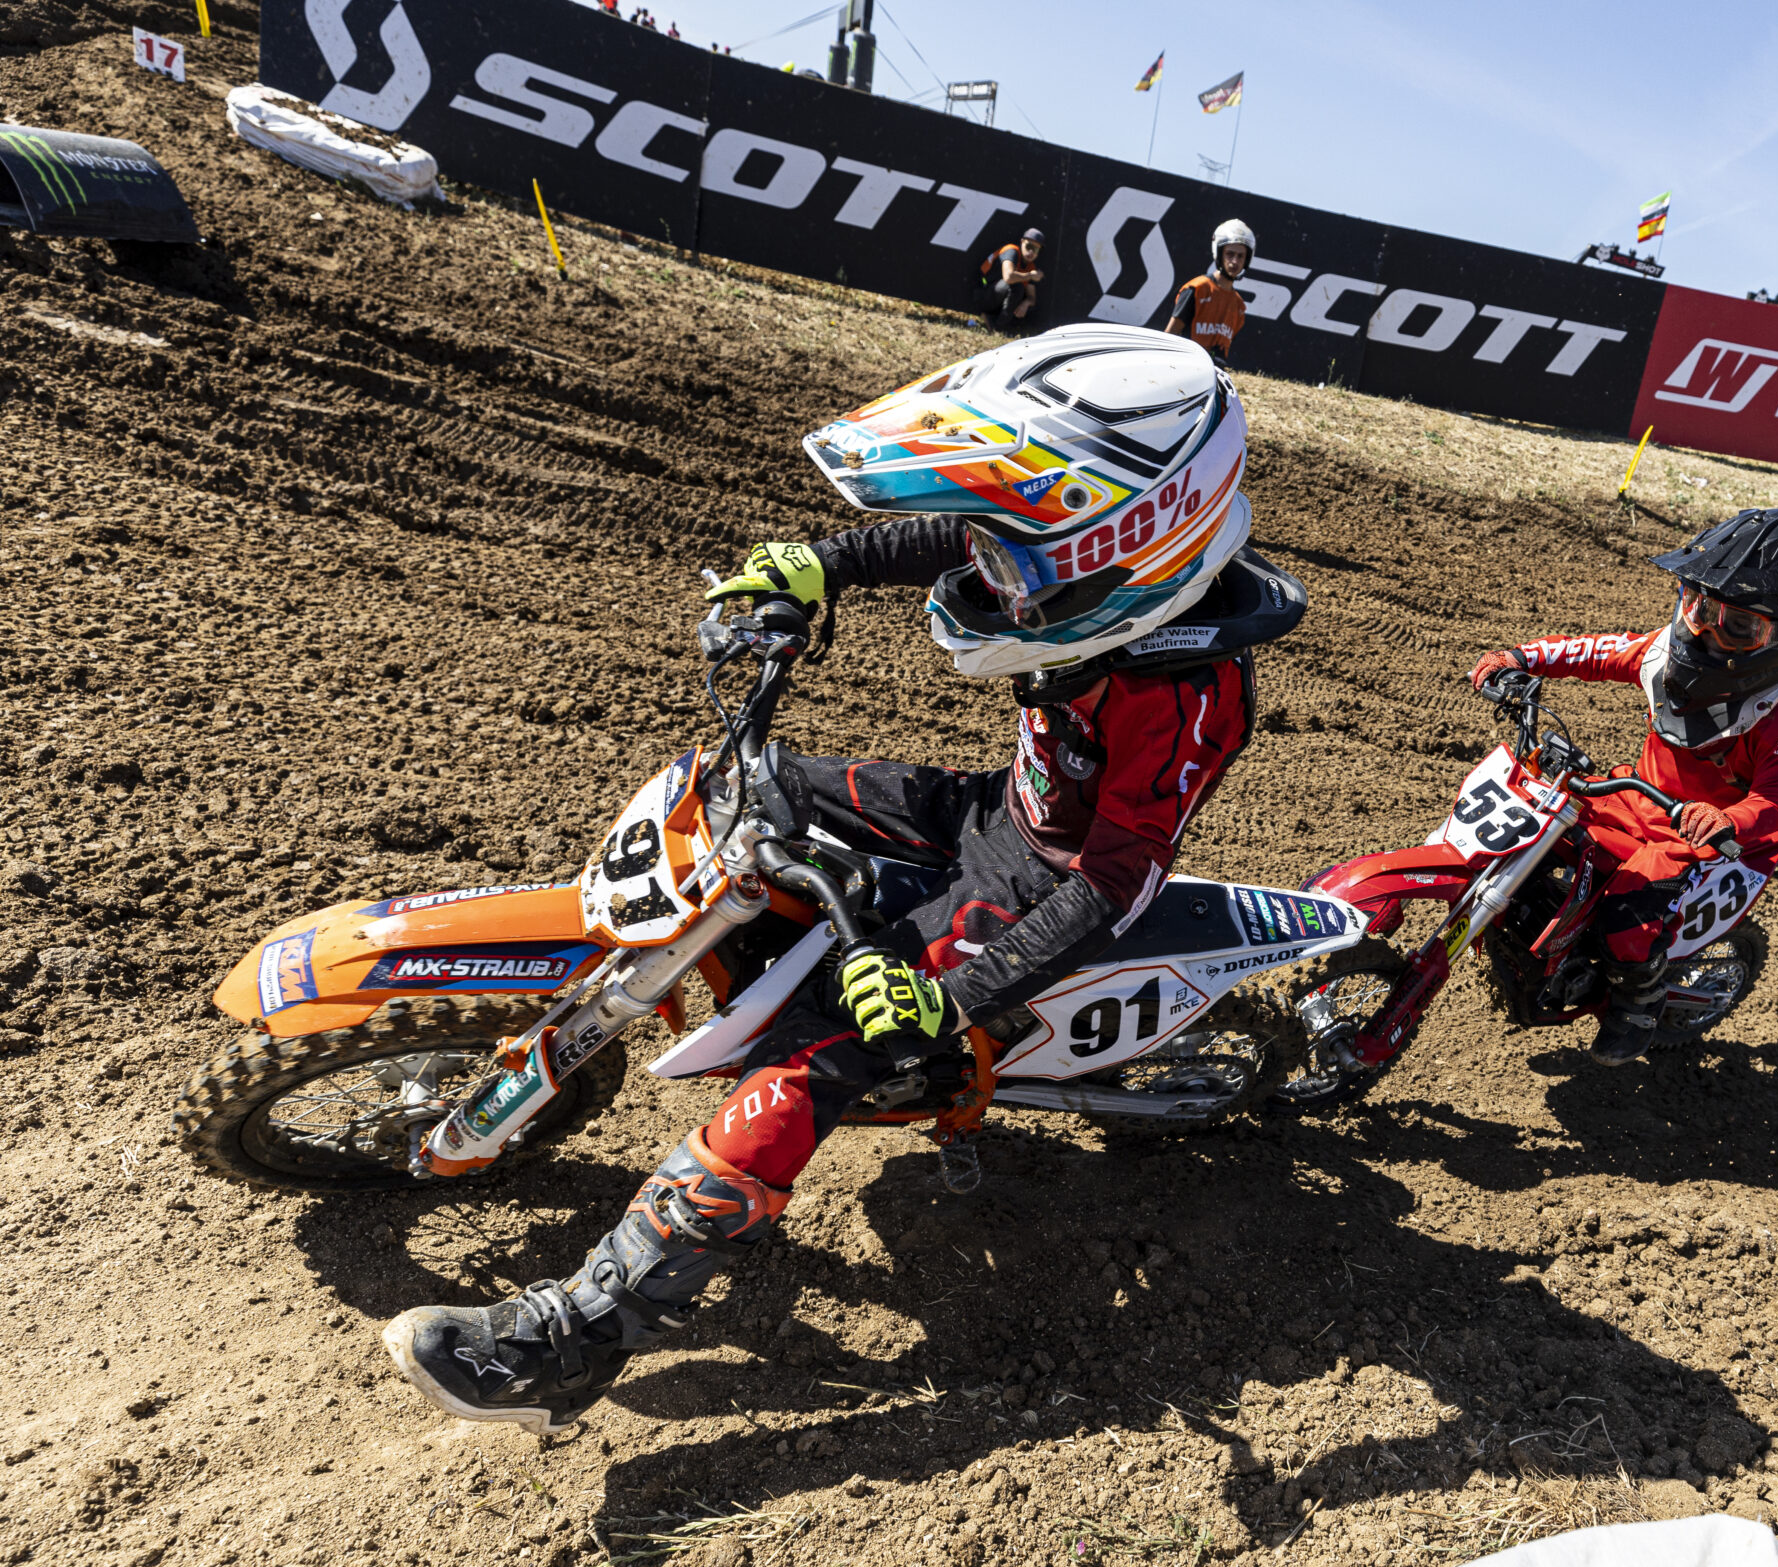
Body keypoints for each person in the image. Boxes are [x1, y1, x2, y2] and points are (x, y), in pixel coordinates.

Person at [381, 326, 1308, 1435]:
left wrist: (948, 1000)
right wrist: (826, 561)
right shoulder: (1089, 566)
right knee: (752, 786)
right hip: (992, 809)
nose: (989, 575)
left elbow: (1116, 883)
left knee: (817, 1054)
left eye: (1016, 568)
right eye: (1004, 555)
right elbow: (965, 533)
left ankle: (577, 1340)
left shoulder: (1184, 693)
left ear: (1137, 557)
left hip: (1044, 883)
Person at [1468, 510, 1778, 1064]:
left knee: (1627, 925)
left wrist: (1729, 819)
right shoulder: (1665, 651)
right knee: (1530, 832)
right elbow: (1597, 652)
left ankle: (1638, 1006)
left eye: (1738, 625)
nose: (1705, 631)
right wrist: (1524, 658)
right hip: (1631, 795)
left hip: (1694, 837)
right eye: (1699, 607)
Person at [1164, 219, 1254, 367]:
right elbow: (1170, 335)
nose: (1234, 261)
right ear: (1219, 254)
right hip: (1185, 367)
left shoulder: (1239, 306)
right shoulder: (1197, 289)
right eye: (1230, 254)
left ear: (1247, 259)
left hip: (1214, 374)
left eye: (1240, 256)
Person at [976, 228, 1044, 330]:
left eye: (1035, 249)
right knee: (1017, 287)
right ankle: (996, 326)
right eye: (1029, 246)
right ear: (1022, 242)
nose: (1031, 252)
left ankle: (998, 324)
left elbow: (1032, 297)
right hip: (983, 294)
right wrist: (1030, 275)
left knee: (1030, 310)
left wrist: (1026, 303)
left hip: (998, 301)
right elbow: (1008, 277)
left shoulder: (1031, 267)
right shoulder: (1011, 250)